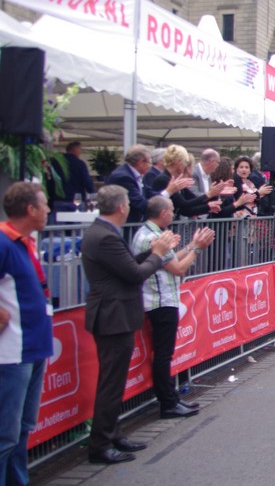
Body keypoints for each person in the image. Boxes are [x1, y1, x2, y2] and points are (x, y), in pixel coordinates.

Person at [82, 185, 176, 464]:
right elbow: (135, 275)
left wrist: (153, 253)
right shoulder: (105, 236)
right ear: (122, 207)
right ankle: (101, 442)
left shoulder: (104, 232)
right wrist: (157, 254)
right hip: (113, 315)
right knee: (111, 382)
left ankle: (112, 433)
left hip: (115, 313)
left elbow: (126, 266)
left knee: (114, 380)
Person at [131, 197, 214, 420]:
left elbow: (169, 261)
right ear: (163, 213)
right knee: (163, 355)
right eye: (170, 210)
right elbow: (178, 269)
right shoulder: (153, 237)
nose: (173, 214)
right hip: (160, 301)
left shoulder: (147, 233)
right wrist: (197, 249)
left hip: (159, 299)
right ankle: (168, 403)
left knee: (164, 354)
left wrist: (190, 246)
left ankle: (171, 398)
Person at [0, 183, 52, 485]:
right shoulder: (4, 242)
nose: (48, 210)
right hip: (11, 354)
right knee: (6, 435)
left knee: (20, 430)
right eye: (44, 205)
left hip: (32, 348)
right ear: (30, 209)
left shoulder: (24, 242)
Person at [105, 144, 155, 224]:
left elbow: (149, 193)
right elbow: (139, 203)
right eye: (150, 162)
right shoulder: (123, 177)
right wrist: (168, 191)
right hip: (123, 225)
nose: (150, 166)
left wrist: (167, 194)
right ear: (141, 162)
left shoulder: (136, 175)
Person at [52, 140, 95, 212]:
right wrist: (92, 195)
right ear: (75, 150)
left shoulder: (56, 163)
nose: (80, 152)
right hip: (77, 200)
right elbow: (87, 181)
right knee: (77, 218)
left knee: (59, 218)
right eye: (80, 149)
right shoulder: (80, 164)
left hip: (60, 199)